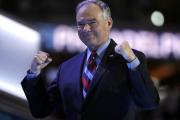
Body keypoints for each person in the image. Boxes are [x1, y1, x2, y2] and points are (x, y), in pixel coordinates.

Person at [21, 0, 159, 120]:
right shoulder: (67, 68)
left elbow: (148, 102)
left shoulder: (129, 59)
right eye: (80, 24)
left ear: (109, 23)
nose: (86, 29)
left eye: (92, 22)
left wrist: (132, 62)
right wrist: (33, 74)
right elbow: (41, 110)